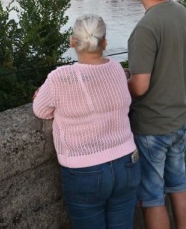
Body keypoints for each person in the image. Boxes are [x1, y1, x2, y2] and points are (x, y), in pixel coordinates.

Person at [33, 14, 140, 229]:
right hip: (127, 162)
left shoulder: (60, 77)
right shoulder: (117, 69)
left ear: (73, 42)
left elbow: (41, 110)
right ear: (105, 43)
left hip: (85, 170)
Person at [128, 0, 186, 229]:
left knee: (152, 197)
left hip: (153, 126)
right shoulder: (181, 12)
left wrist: (122, 83)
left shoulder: (145, 28)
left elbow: (140, 87)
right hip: (180, 117)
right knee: (179, 184)